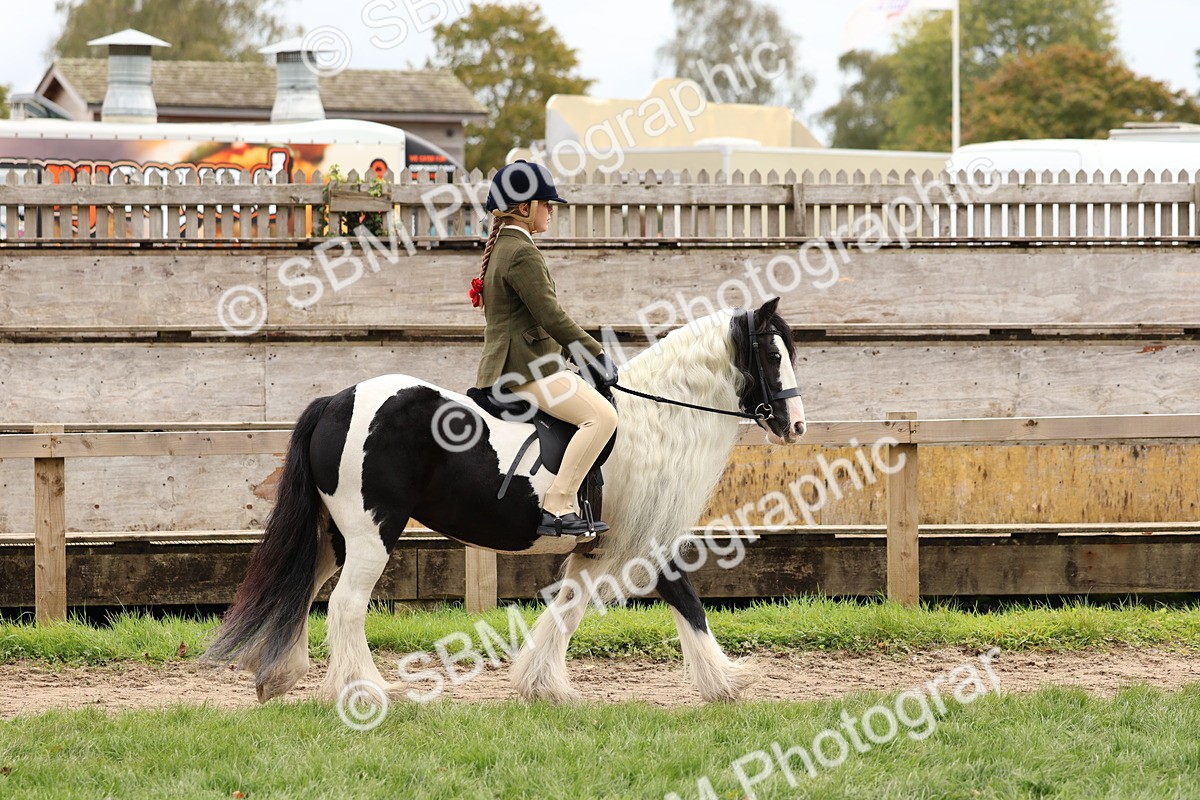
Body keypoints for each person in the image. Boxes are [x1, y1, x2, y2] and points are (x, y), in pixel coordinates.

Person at [471, 160, 618, 538]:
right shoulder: (521, 252)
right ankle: (558, 504)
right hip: (523, 370)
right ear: (524, 208)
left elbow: (534, 322)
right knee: (602, 417)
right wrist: (594, 354)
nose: (551, 210)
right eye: (546, 204)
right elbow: (550, 315)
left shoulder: (507, 245)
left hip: (518, 365)